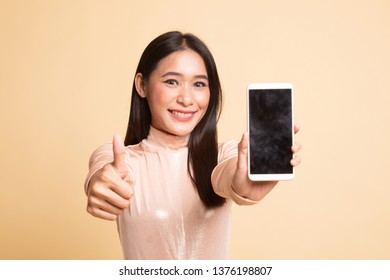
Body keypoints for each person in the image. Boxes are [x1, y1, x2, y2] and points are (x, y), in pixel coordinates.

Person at [84, 31, 301, 259]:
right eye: (172, 82)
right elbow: (102, 171)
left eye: (199, 84)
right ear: (142, 85)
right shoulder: (119, 158)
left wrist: (245, 183)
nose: (186, 99)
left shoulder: (223, 155)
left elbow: (230, 175)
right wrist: (102, 184)